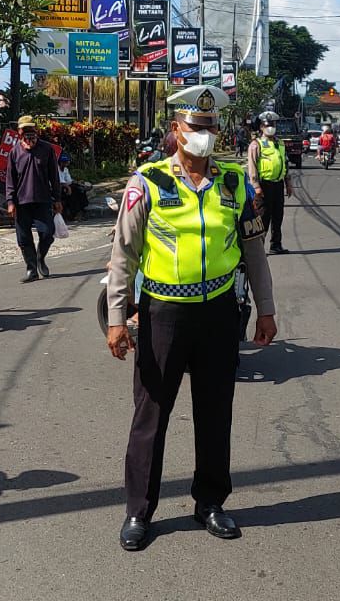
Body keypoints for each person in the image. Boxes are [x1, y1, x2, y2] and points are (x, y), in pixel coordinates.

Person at [105, 85, 278, 552]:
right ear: (177, 130)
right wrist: (117, 318)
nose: (205, 133)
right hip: (162, 313)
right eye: (197, 126)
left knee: (215, 411)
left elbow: (254, 252)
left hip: (219, 312)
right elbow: (123, 255)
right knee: (151, 414)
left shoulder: (234, 183)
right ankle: (138, 511)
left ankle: (211, 502)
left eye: (211, 126)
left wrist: (266, 309)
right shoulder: (148, 181)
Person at [0, 115, 61, 282]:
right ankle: (31, 269)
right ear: (19, 132)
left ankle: (40, 258)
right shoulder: (15, 152)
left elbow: (54, 176)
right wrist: (10, 201)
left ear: (36, 130)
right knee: (24, 238)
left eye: (30, 129)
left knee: (47, 233)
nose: (28, 132)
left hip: (43, 200)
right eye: (24, 129)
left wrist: (57, 199)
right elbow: (10, 179)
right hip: (21, 202)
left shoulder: (46, 149)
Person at [245, 111, 292, 254]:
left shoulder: (280, 143)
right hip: (264, 186)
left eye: (273, 125)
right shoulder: (256, 144)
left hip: (278, 185)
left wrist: (288, 183)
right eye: (267, 125)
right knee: (263, 218)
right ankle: (259, 248)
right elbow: (252, 167)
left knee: (278, 216)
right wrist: (256, 186)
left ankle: (276, 245)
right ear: (261, 127)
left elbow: (285, 163)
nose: (270, 128)